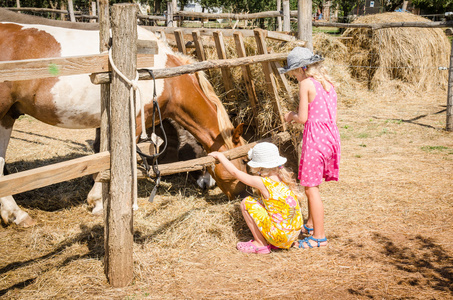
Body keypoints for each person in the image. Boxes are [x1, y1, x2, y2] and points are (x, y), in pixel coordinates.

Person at [279, 47, 340, 250]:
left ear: (303, 69)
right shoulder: (329, 84)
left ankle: (319, 237)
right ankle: (312, 224)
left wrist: (290, 116)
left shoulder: (306, 84)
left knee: (310, 188)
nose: (294, 77)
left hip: (315, 139)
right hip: (331, 138)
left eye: (294, 73)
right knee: (313, 184)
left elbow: (303, 118)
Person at [208, 142, 303, 254]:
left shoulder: (262, 182)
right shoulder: (282, 177)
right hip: (293, 235)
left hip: (280, 237)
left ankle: (260, 244)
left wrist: (220, 156)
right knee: (261, 202)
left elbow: (235, 173)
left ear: (258, 166)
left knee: (246, 202)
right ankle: (279, 240)